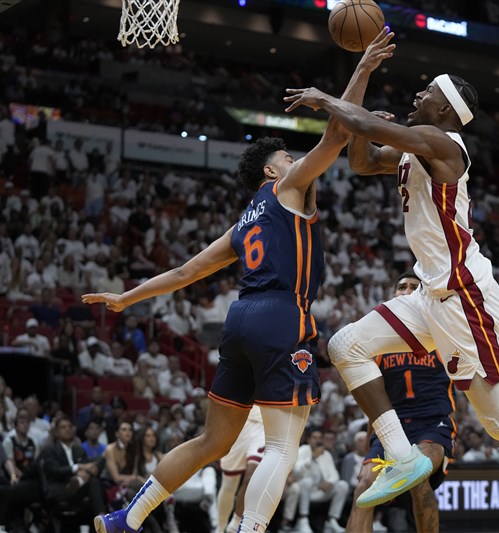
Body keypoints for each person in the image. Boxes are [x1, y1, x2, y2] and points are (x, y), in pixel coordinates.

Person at [285, 53, 499, 532]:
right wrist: (360, 115)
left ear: (445, 109)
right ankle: (402, 456)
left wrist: (330, 98)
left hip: (465, 296)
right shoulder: (416, 146)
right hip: (429, 295)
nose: (418, 95)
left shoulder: (444, 143)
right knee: (346, 345)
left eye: (428, 91)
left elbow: (361, 122)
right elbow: (362, 161)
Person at [82, 30, 396, 533]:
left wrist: (127, 297)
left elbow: (186, 272)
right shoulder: (288, 186)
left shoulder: (243, 223)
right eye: (288, 158)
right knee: (282, 447)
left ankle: (128, 517)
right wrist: (362, 70)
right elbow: (336, 138)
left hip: (240, 318)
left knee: (213, 441)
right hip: (281, 316)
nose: (296, 162)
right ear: (272, 170)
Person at [346, 272, 456, 533]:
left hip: (432, 424)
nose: (407, 290)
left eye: (414, 287)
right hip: (390, 427)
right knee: (363, 487)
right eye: (402, 287)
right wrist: (371, 440)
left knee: (418, 477)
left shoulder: (442, 333)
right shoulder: (376, 342)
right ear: (394, 295)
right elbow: (373, 398)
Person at [215, 407, 265, 533]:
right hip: (239, 420)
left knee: (251, 479)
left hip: (265, 424)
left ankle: (235, 525)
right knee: (229, 485)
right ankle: (220, 528)